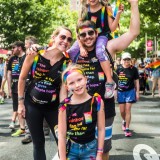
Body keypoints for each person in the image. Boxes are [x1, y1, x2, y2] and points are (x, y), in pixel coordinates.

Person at [68, 0, 140, 159]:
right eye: (83, 34)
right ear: (78, 36)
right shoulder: (74, 52)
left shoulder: (108, 47)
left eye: (91, 33)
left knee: (103, 150)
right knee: (78, 149)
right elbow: (56, 51)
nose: (87, 37)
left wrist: (134, 4)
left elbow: (133, 32)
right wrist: (34, 49)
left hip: (104, 109)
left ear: (97, 33)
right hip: (78, 109)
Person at [18, 26, 72, 160]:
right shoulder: (35, 54)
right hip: (32, 106)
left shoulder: (67, 62)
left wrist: (62, 110)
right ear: (53, 38)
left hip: (53, 108)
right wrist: (20, 103)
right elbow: (22, 78)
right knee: (38, 143)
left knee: (63, 141)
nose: (65, 41)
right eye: (62, 37)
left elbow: (63, 90)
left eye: (69, 39)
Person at [68, 0, 124, 99]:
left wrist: (118, 14)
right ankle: (71, 79)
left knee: (99, 52)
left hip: (102, 35)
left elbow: (112, 28)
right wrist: (81, 46)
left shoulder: (107, 8)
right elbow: (78, 31)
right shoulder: (84, 9)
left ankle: (110, 82)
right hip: (85, 36)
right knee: (71, 52)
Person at [58, 64, 105, 160]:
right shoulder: (64, 106)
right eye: (71, 83)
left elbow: (101, 129)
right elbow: (62, 135)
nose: (77, 85)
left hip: (91, 148)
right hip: (71, 149)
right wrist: (62, 158)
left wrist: (100, 154)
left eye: (79, 80)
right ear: (66, 87)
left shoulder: (97, 101)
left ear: (86, 79)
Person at [116, 52, 139, 137]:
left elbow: (136, 81)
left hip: (130, 91)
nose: (126, 61)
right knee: (122, 111)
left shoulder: (134, 69)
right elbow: (115, 81)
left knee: (128, 110)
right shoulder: (118, 69)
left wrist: (137, 92)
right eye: (125, 59)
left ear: (130, 60)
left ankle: (127, 129)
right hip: (120, 91)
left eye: (128, 59)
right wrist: (114, 92)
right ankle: (124, 121)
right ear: (122, 60)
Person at [7, 41, 26, 136]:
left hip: (26, 87)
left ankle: (30, 129)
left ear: (19, 48)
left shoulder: (27, 57)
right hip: (14, 87)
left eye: (13, 47)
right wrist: (9, 88)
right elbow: (9, 73)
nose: (12, 49)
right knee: (17, 107)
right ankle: (22, 128)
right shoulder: (12, 59)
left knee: (28, 108)